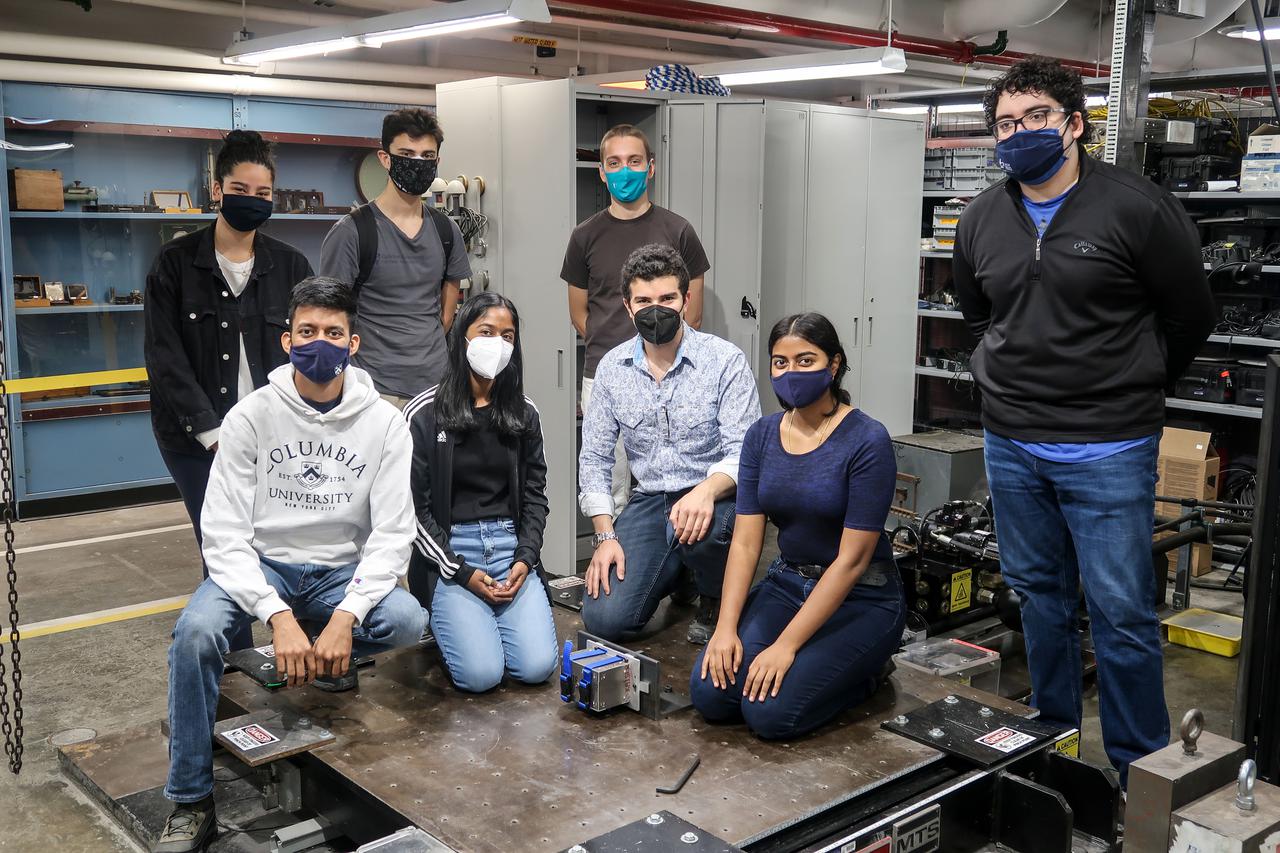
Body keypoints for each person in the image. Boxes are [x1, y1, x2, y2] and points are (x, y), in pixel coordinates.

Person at [952, 57, 1215, 783]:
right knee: (1038, 600)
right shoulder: (981, 219)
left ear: (1074, 125)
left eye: (1035, 117)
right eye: (1005, 123)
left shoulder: (1137, 208)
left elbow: (1191, 314)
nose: (1019, 133)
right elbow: (977, 316)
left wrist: (1130, 384)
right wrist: (997, 379)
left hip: (1109, 447)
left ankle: (1140, 773)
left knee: (1121, 612)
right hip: (1012, 445)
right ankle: (1054, 745)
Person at [152, 277, 425, 853]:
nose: (318, 343)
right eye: (307, 332)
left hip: (337, 571)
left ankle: (329, 656)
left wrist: (346, 617)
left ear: (354, 343)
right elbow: (222, 533)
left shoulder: (385, 423)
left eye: (332, 332)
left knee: (403, 621)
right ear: (286, 341)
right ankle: (191, 799)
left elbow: (393, 532)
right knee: (195, 636)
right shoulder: (250, 417)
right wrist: (276, 616)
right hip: (262, 563)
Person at [690, 313, 904, 739]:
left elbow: (852, 561)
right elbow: (747, 544)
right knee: (711, 695)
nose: (791, 373)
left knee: (769, 714)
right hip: (787, 585)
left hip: (861, 597)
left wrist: (785, 647)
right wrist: (725, 629)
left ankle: (868, 672)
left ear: (835, 363)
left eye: (806, 361)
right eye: (780, 362)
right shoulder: (761, 436)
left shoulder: (867, 440)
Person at [579, 243, 760, 646]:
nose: (655, 308)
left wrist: (706, 491)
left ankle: (712, 594)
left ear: (685, 301)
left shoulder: (724, 361)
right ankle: (679, 569)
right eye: (643, 300)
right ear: (627, 306)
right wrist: (605, 536)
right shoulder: (612, 370)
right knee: (605, 620)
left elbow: (746, 453)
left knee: (711, 532)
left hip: (715, 499)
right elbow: (593, 459)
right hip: (651, 499)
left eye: (666, 298)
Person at [403, 292, 558, 693]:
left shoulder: (524, 413)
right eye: (486, 332)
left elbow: (537, 496)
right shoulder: (423, 413)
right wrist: (461, 570)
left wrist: (526, 557)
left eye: (508, 335)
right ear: (461, 337)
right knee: (481, 676)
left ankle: (480, 623)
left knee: (536, 667)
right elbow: (412, 510)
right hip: (452, 557)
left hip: (509, 549)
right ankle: (449, 623)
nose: (498, 343)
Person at [562, 123, 711, 514]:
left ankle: (665, 562)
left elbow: (692, 311)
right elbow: (580, 312)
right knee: (606, 484)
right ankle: (612, 554)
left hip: (671, 374)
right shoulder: (584, 236)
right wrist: (619, 358)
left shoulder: (678, 231)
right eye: (614, 163)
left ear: (651, 167)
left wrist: (658, 356)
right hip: (604, 375)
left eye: (633, 161)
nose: (624, 170)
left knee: (670, 477)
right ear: (601, 171)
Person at [320, 108, 471, 408]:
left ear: (437, 162)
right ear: (385, 159)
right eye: (406, 153)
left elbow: (446, 315)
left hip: (436, 389)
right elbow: (330, 316)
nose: (417, 163)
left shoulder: (446, 231)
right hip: (372, 391)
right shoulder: (352, 232)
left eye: (427, 156)